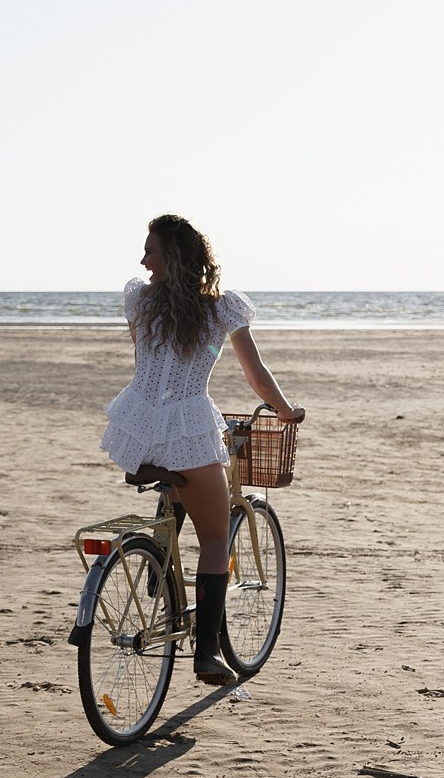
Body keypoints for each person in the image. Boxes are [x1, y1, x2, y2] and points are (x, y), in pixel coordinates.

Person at [99, 214, 304, 687]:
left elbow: (149, 361)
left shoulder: (142, 304)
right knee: (215, 540)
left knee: (178, 483)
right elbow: (256, 376)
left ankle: (161, 565)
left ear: (170, 260)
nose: (143, 260)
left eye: (151, 251)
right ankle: (208, 652)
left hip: (138, 423)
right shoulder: (220, 309)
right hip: (187, 425)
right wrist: (286, 410)